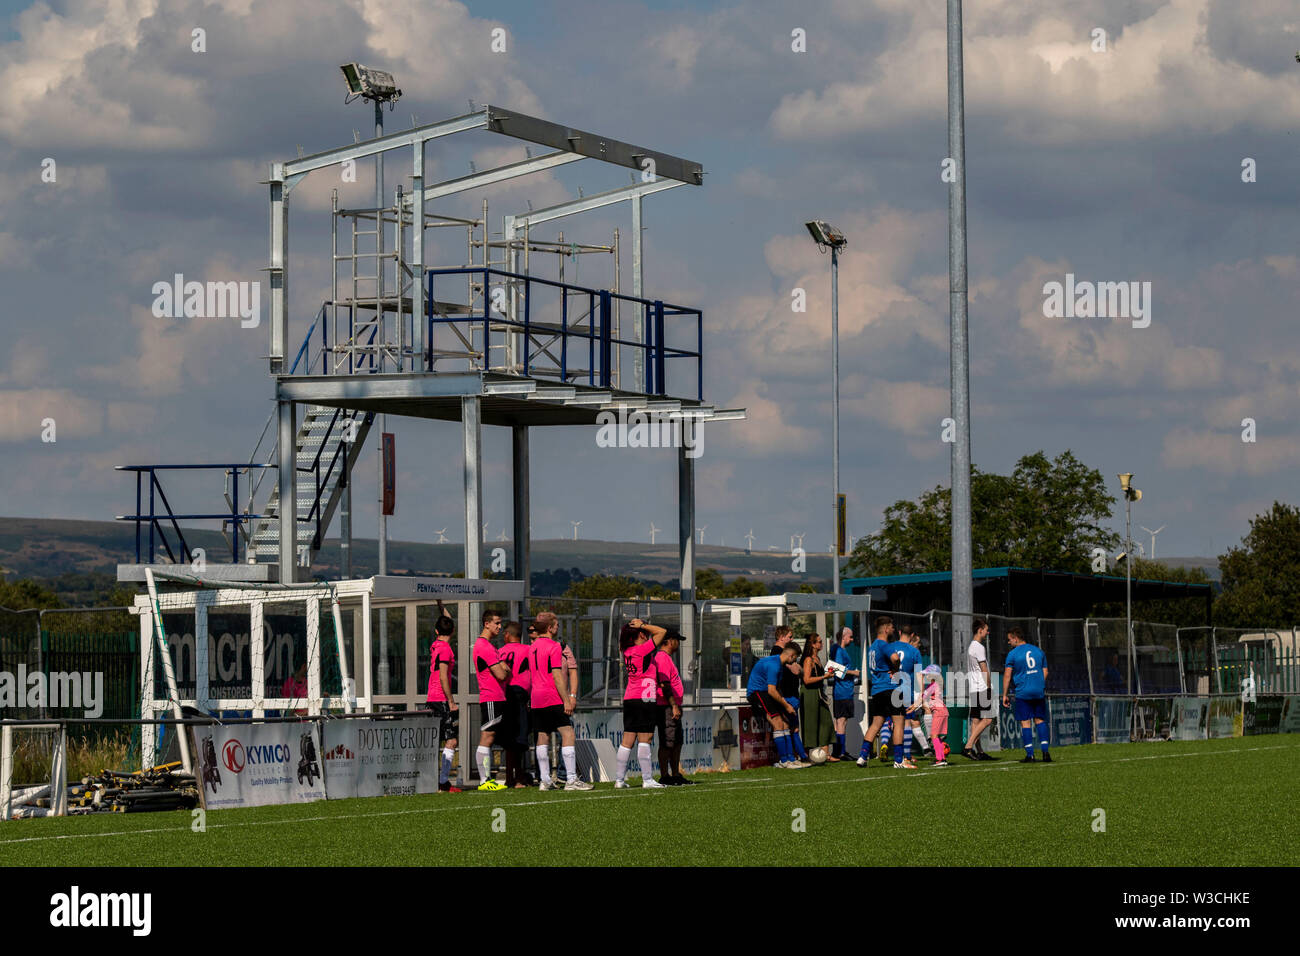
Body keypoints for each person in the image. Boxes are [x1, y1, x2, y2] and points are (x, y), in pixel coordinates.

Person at [528, 611, 593, 791]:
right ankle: (571, 779)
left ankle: (545, 780)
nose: (557, 628)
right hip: (552, 696)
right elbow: (557, 675)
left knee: (542, 736)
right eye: (556, 625)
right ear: (549, 628)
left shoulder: (532, 647)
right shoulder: (554, 646)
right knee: (568, 733)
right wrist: (567, 699)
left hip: (536, 697)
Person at [615, 618, 670, 789]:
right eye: (644, 633)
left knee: (627, 739)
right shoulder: (642, 650)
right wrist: (643, 625)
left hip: (630, 697)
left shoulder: (626, 650)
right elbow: (662, 632)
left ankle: (619, 780)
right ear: (640, 634)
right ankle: (647, 779)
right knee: (645, 738)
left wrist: (633, 628)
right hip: (645, 697)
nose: (647, 635)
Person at [858, 616, 913, 768]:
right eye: (892, 627)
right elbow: (895, 658)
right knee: (899, 723)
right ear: (886, 628)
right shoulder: (884, 644)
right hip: (891, 689)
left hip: (877, 690)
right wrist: (895, 668)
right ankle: (898, 760)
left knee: (876, 724)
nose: (893, 629)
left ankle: (862, 757)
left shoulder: (872, 646)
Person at [746, 642, 806, 769]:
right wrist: (787, 705)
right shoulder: (774, 665)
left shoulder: (780, 665)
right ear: (791, 655)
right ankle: (783, 761)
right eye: (795, 658)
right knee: (778, 722)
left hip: (767, 692)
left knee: (785, 723)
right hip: (757, 692)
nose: (795, 662)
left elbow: (777, 689)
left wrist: (784, 704)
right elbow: (771, 690)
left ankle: (791, 758)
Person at [472, 611, 511, 791]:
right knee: (487, 737)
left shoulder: (489, 646)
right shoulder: (484, 647)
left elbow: (503, 668)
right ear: (486, 624)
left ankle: (486, 779)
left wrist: (504, 668)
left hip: (497, 698)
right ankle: (484, 780)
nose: (499, 626)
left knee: (491, 736)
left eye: (500, 623)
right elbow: (502, 673)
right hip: (491, 697)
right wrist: (505, 669)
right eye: (496, 623)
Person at [425, 605, 461, 792]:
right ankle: (443, 782)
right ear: (453, 631)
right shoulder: (445, 649)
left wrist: (440, 604)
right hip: (440, 698)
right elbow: (443, 676)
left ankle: (435, 781)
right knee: (451, 741)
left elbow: (446, 622)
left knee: (434, 740)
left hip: (432, 697)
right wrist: (451, 701)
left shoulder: (435, 645)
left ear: (436, 630)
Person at [1002, 627, 1051, 763]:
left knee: (1025, 722)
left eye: (1009, 639)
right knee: (1040, 720)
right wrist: (1038, 683)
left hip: (1023, 692)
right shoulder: (1038, 651)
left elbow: (1007, 675)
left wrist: (1004, 695)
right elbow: (1045, 671)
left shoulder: (1012, 654)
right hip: (1038, 690)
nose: (1008, 642)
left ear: (1015, 638)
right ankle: (1045, 753)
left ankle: (1030, 755)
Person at [880, 626, 929, 761]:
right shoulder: (914, 651)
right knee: (906, 722)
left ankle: (883, 743)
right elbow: (919, 674)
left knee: (888, 720)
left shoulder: (889, 647)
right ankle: (906, 754)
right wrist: (921, 694)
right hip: (906, 689)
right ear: (912, 634)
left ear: (899, 632)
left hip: (889, 688)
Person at [497, 621, 532, 788]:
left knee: (509, 739)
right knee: (519, 737)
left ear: (507, 635)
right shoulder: (527, 650)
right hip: (520, 695)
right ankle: (518, 777)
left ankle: (510, 777)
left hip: (504, 694)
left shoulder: (499, 652)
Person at [653, 629, 689, 785]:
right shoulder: (661, 658)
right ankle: (665, 775)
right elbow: (664, 684)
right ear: (669, 640)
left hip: (672, 705)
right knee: (667, 741)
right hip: (666, 706)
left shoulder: (666, 658)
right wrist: (673, 705)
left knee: (677, 741)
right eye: (676, 639)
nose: (678, 643)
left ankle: (675, 774)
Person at [962, 618, 997, 761]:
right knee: (988, 719)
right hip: (982, 687)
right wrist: (989, 687)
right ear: (980, 630)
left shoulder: (971, 646)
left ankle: (979, 751)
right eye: (986, 630)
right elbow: (984, 669)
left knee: (976, 721)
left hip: (974, 687)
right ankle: (968, 747)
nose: (988, 632)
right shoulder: (979, 647)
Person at [799, 634, 837, 760]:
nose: (822, 644)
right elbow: (807, 680)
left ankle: (825, 754)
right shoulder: (808, 659)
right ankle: (809, 754)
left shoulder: (817, 658)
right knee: (811, 722)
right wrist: (824, 677)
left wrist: (827, 675)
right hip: (809, 693)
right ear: (813, 644)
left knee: (826, 722)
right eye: (819, 642)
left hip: (819, 692)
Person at [829, 626, 860, 759]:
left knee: (842, 721)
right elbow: (834, 669)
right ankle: (840, 752)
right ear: (844, 636)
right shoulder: (837, 650)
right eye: (850, 636)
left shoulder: (841, 650)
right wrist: (854, 672)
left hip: (846, 690)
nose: (852, 640)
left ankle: (840, 750)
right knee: (841, 721)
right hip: (842, 691)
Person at [922, 664, 949, 767]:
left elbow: (923, 697)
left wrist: (913, 707)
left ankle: (939, 759)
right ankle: (942, 758)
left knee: (934, 736)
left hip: (939, 711)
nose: (926, 676)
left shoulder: (934, 685)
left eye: (928, 674)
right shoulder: (935, 684)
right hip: (941, 711)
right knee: (936, 736)